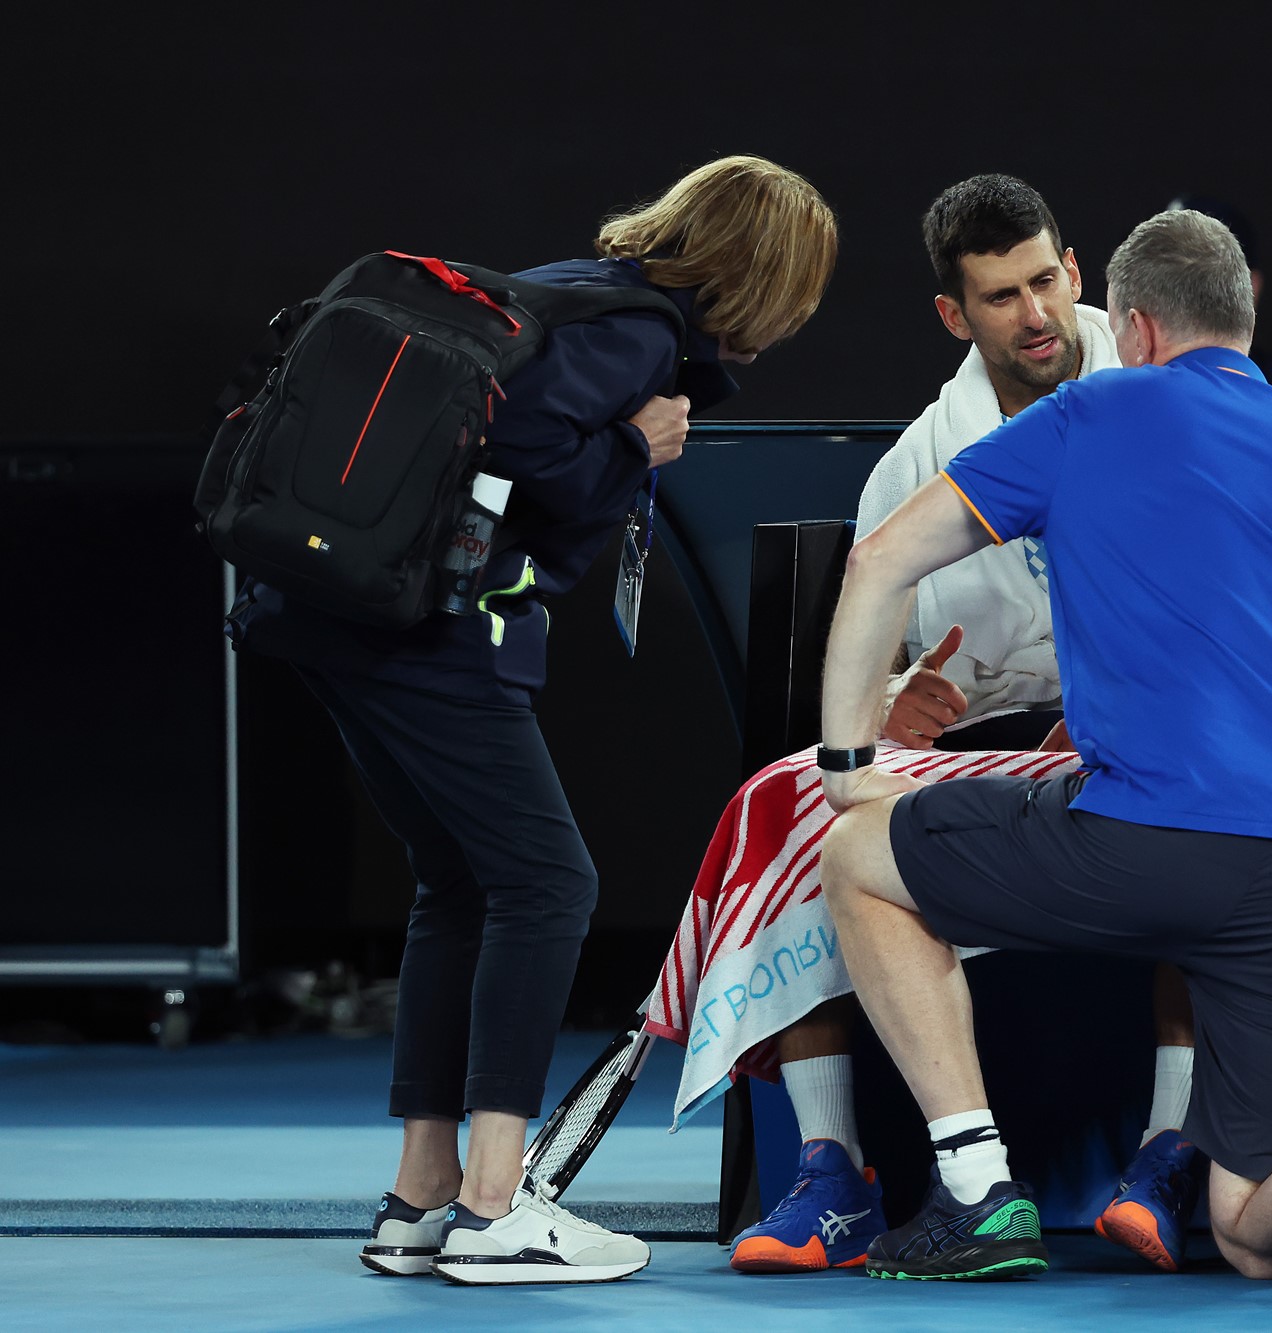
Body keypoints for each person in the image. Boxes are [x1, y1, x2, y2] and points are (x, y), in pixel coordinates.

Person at [813, 208, 1272, 1291]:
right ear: (1245, 312)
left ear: (1132, 328)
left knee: (857, 856)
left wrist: (847, 763)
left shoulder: (1091, 413)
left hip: (1144, 845)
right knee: (1248, 1230)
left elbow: (879, 561)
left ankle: (975, 1190)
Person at [225, 155, 837, 1285]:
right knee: (549, 885)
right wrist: (632, 447)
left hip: (334, 618)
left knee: (459, 883)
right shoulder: (639, 334)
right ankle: (496, 1201)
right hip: (434, 635)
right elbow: (524, 446)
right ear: (767, 278)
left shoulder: (570, 286)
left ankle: (419, 1197)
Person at [721, 174, 1206, 1275]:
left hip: (1149, 730)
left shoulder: (1176, 397)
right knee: (788, 800)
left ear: (1076, 271)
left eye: (1045, 281)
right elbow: (875, 650)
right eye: (1000, 297)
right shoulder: (913, 465)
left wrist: (1116, 705)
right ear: (955, 314)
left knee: (1210, 785)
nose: (1034, 315)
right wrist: (893, 700)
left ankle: (1171, 1152)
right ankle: (831, 1173)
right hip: (984, 751)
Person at [1166, 192, 1272, 413]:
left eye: (1207, 273)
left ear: (1250, 286)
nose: (1181, 287)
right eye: (1166, 270)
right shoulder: (1123, 396)